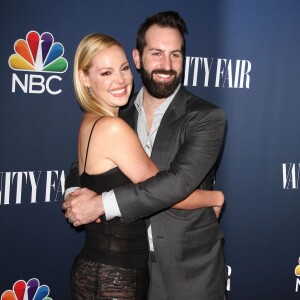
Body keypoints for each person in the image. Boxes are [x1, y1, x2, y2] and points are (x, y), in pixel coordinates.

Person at [65, 31, 225, 299]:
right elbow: (157, 185)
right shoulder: (117, 118)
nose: (119, 80)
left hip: (184, 267)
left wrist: (96, 202)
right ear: (139, 57)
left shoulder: (206, 116)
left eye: (175, 54)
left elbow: (174, 183)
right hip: (117, 273)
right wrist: (214, 196)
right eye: (156, 53)